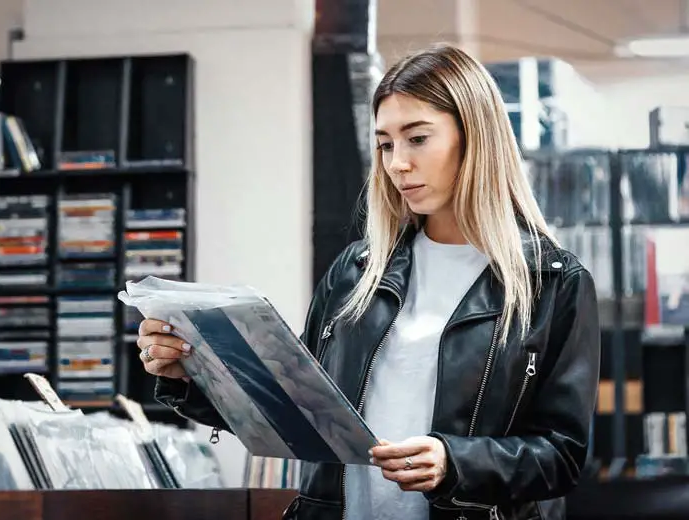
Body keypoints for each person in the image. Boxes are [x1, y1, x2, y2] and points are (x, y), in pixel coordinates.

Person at [136, 43, 601, 520]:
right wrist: (189, 375)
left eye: (417, 138)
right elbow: (293, 411)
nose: (397, 163)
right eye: (385, 144)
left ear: (476, 139)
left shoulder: (553, 284)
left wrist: (454, 462)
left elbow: (561, 455)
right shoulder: (356, 271)